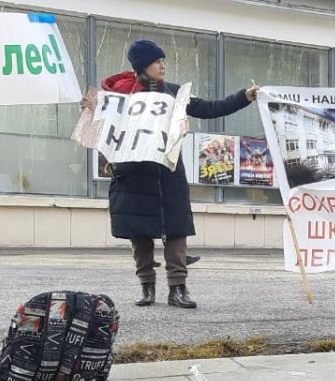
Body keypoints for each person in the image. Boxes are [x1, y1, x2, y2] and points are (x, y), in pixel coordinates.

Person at [85, 39, 258, 309]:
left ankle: (178, 289)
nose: (163, 66)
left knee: (176, 230)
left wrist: (244, 97)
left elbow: (210, 108)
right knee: (139, 233)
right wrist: (91, 112)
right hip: (133, 173)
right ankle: (147, 287)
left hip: (168, 172)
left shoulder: (176, 94)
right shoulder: (120, 98)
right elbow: (103, 131)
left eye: (163, 61)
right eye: (157, 62)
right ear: (142, 66)